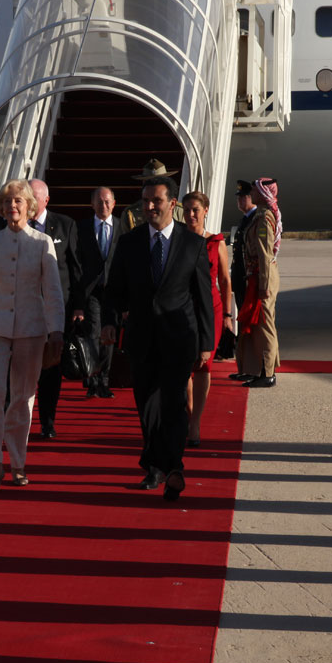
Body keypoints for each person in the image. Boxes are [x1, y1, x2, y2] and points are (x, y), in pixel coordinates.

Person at [101, 176, 214, 501]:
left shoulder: (192, 244)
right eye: (146, 201)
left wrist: (206, 343)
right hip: (142, 338)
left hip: (179, 337)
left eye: (157, 201)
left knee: (175, 404)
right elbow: (114, 290)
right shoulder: (130, 242)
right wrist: (109, 322)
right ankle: (155, 465)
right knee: (147, 406)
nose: (149, 206)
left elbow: (202, 297)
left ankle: (172, 467)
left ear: (172, 204)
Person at [0, 179, 63, 489]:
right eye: (7, 201)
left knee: (23, 398)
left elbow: (53, 291)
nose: (12, 206)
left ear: (29, 206)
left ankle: (18, 463)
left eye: (18, 201)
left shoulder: (42, 243)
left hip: (31, 330)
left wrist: (56, 332)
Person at [29, 179, 81, 438]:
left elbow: (76, 269)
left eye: (34, 197)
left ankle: (47, 422)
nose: (28, 202)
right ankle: (19, 421)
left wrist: (78, 306)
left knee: (50, 371)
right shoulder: (15, 226)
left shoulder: (64, 225)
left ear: (46, 200)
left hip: (54, 310)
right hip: (26, 310)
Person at [181, 191, 232, 446]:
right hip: (182, 309)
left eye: (196, 210)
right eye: (187, 210)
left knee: (204, 365)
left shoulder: (215, 242)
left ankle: (195, 422)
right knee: (184, 365)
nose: (191, 215)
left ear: (206, 211)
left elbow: (225, 280)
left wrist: (228, 315)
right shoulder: (177, 240)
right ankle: (189, 412)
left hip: (211, 310)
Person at [76, 186, 123, 398]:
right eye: (99, 202)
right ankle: (93, 379)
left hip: (114, 289)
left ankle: (104, 379)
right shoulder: (81, 228)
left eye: (107, 202)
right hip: (92, 290)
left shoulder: (122, 227)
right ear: (92, 204)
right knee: (94, 332)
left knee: (109, 333)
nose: (103, 206)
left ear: (114, 204)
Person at [234, 178, 282, 388]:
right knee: (258, 324)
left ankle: (268, 373)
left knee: (265, 324)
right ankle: (258, 369)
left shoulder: (263, 218)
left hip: (263, 275)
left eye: (254, 191)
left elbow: (265, 254)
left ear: (263, 194)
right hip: (257, 274)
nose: (251, 194)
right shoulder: (260, 216)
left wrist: (263, 285)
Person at [118, 159, 184, 230]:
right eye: (149, 182)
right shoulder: (131, 214)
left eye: (159, 182)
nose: (150, 207)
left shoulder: (182, 212)